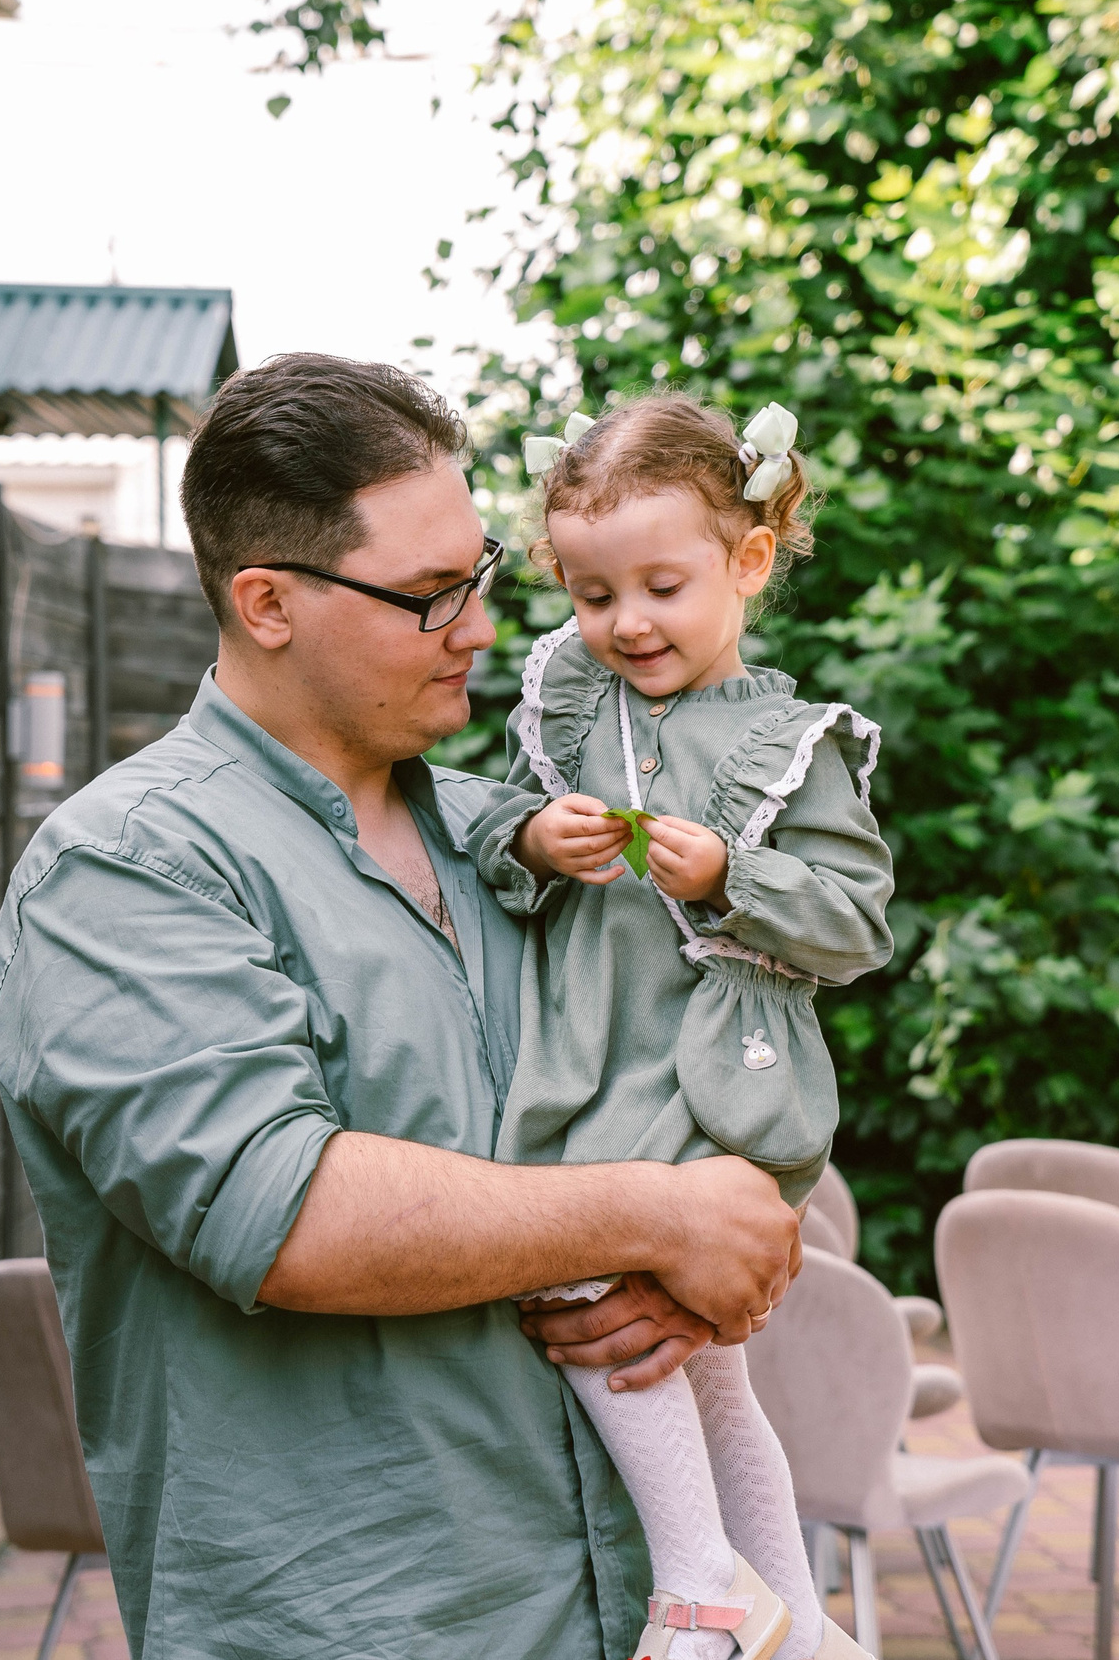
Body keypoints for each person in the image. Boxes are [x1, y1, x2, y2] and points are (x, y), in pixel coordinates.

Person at [0, 354, 807, 1660]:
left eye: (478, 575)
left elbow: (700, 1041)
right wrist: (655, 1209)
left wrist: (729, 1233)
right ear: (267, 603)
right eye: (430, 596)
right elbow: (284, 1210)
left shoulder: (515, 833)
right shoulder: (127, 867)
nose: (481, 626)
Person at [469, 395, 896, 1660]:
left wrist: (730, 879)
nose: (626, 623)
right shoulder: (561, 702)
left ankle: (701, 1581)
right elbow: (483, 837)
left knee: (594, 1290)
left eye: (660, 585)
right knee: (708, 1372)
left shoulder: (790, 743)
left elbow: (856, 925)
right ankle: (793, 1615)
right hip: (586, 1048)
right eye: (593, 594)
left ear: (748, 560)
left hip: (716, 1075)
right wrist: (536, 838)